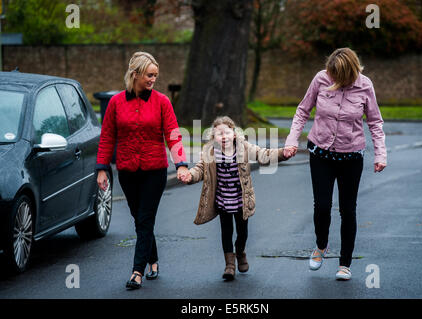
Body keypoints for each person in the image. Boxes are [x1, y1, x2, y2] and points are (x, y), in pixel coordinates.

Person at [284, 48, 387, 281]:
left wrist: (380, 154)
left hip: (351, 157)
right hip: (320, 153)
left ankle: (345, 263)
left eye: (338, 76)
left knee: (347, 210)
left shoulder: (365, 85)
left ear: (350, 73)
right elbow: (302, 111)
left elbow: (375, 122)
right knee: (321, 206)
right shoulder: (321, 78)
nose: (334, 80)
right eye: (332, 74)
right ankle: (321, 246)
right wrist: (291, 141)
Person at [96, 51, 189, 289]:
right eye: (149, 75)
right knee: (140, 219)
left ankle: (137, 271)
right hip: (127, 170)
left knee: (145, 218)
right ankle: (154, 260)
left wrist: (181, 165)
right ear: (135, 74)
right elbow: (107, 137)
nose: (153, 80)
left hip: (154, 170)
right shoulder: (116, 103)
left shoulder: (162, 102)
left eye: (155, 76)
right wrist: (102, 168)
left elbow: (173, 135)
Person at [179, 116, 289, 281]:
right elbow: (200, 168)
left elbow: (263, 154)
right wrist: (190, 176)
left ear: (234, 133)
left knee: (242, 232)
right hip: (222, 201)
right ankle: (229, 265)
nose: (224, 136)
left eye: (227, 132)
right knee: (226, 232)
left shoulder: (243, 148)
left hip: (240, 201)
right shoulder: (210, 152)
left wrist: (282, 153)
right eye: (219, 134)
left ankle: (240, 251)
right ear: (213, 137)